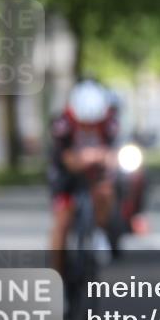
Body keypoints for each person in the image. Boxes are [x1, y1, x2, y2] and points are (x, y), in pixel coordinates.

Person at [47, 79, 118, 274]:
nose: (89, 127)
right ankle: (57, 275)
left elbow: (113, 154)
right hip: (65, 175)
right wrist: (86, 158)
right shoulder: (62, 123)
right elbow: (66, 158)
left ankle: (99, 232)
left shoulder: (109, 122)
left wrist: (105, 158)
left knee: (106, 191)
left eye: (93, 124)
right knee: (61, 221)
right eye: (84, 124)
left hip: (96, 173)